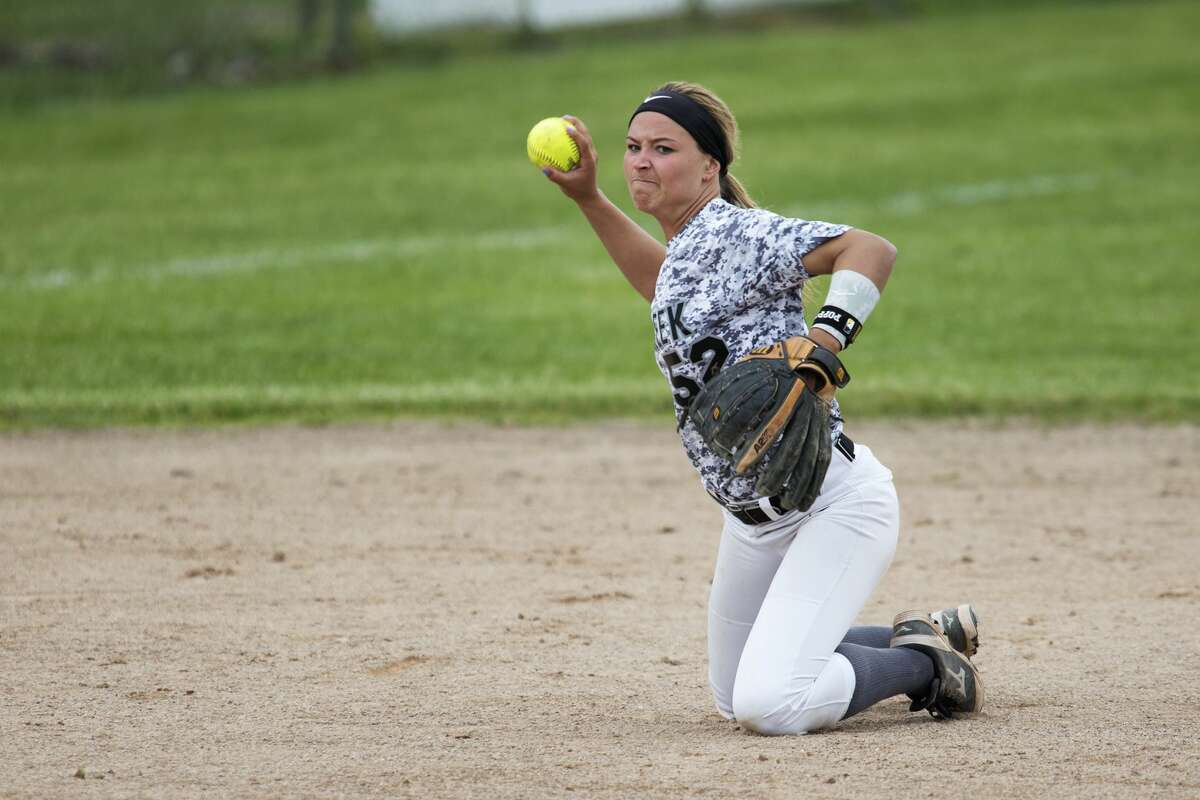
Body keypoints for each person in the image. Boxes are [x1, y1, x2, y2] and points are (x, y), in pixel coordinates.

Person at [539, 82, 983, 735]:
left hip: (832, 503)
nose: (641, 160)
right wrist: (590, 199)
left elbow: (869, 249)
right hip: (753, 524)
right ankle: (909, 631)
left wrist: (827, 341)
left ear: (710, 166)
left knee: (770, 703)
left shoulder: (736, 233)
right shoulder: (691, 248)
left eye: (664, 148)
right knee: (734, 695)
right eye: (634, 147)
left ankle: (926, 667)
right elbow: (661, 286)